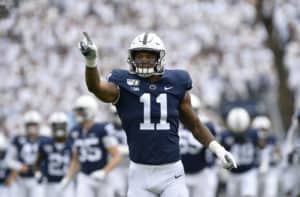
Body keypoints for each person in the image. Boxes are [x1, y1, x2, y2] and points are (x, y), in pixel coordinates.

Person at [79, 32, 237, 197]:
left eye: (149, 56)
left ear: (159, 58)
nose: (144, 60)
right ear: (132, 58)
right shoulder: (123, 84)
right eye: (139, 56)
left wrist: (219, 150)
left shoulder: (176, 82)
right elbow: (95, 87)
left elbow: (195, 125)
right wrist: (91, 61)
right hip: (139, 173)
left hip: (171, 172)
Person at [59, 95, 122, 197]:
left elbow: (117, 156)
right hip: (84, 177)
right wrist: (67, 177)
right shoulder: (75, 132)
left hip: (102, 177)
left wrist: (104, 172)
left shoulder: (102, 129)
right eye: (77, 111)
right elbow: (75, 160)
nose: (77, 114)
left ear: (90, 111)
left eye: (81, 110)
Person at [221, 107, 259, 197]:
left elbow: (259, 149)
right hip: (232, 173)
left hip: (248, 171)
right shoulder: (225, 135)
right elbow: (221, 154)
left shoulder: (253, 133)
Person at [34, 111, 74, 197]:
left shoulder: (71, 143)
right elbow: (36, 163)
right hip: (50, 184)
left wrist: (68, 177)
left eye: (61, 126)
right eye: (56, 126)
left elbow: (75, 163)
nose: (59, 129)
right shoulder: (45, 143)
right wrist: (38, 174)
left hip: (67, 183)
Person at [5, 110, 43, 197]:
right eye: (30, 125)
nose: (32, 128)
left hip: (37, 180)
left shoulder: (44, 140)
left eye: (34, 125)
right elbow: (8, 160)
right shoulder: (17, 139)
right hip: (20, 180)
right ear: (25, 125)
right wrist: (19, 166)